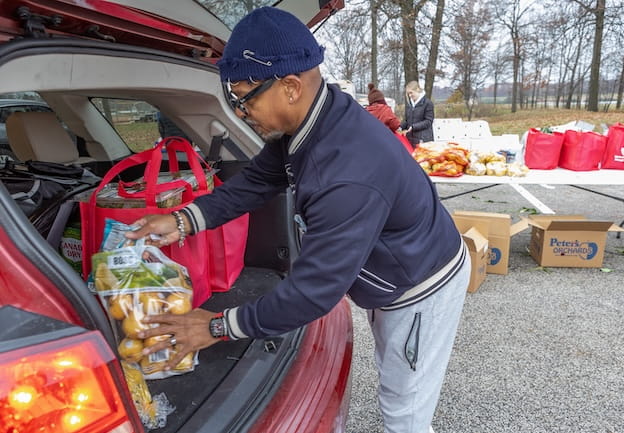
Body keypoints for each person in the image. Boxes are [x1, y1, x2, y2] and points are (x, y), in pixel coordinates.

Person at [126, 7, 469, 433]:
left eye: (243, 97)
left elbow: (314, 293)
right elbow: (258, 180)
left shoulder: (348, 173)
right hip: (389, 271)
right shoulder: (312, 120)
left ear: (289, 86)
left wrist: (216, 326)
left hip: (420, 285)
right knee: (394, 377)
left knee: (404, 409)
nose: (238, 111)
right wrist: (182, 220)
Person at [400, 80, 434, 146]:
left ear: (417, 89)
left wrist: (414, 127)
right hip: (410, 140)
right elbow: (407, 120)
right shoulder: (409, 105)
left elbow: (428, 121)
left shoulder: (427, 103)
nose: (410, 95)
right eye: (408, 94)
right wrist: (399, 127)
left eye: (411, 93)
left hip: (424, 140)